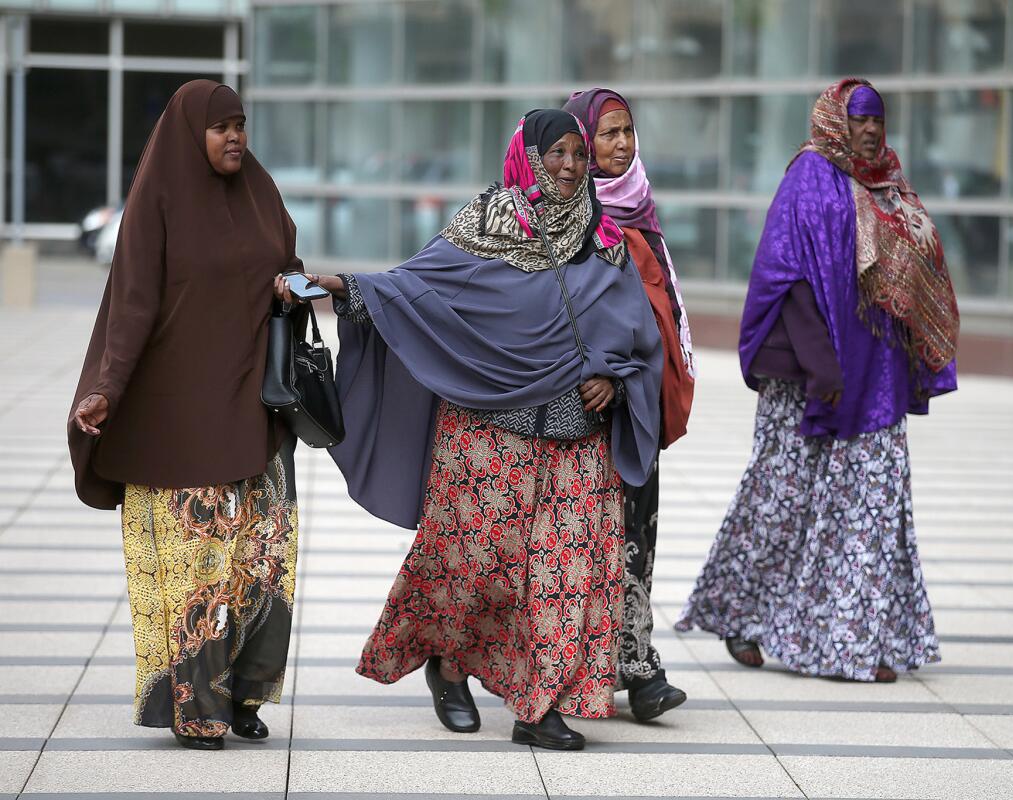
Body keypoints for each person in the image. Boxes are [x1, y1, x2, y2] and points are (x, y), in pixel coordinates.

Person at [283, 110, 662, 751]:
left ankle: (537, 709)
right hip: (490, 429)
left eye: (578, 153)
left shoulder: (606, 240)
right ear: (529, 156)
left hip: (577, 437)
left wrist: (618, 380)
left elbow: (636, 335)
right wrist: (340, 286)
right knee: (471, 566)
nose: (570, 166)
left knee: (563, 577)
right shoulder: (485, 225)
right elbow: (414, 289)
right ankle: (448, 664)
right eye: (556, 153)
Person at [675, 79, 959, 683]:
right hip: (811, 373)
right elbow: (787, 277)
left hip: (875, 374)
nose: (871, 129)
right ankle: (741, 614)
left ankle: (855, 640)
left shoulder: (887, 184)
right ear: (836, 120)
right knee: (782, 499)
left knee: (870, 505)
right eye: (860, 119)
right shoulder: (811, 176)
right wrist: (821, 365)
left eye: (878, 119)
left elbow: (914, 271)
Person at [68, 80, 304, 749]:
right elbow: (132, 304)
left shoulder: (260, 191)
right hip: (184, 411)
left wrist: (303, 287)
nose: (235, 137)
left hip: (257, 408)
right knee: (200, 563)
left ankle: (246, 692)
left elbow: (288, 265)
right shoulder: (158, 199)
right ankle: (198, 706)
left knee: (262, 558)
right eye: (220, 126)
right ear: (188, 132)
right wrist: (106, 387)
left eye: (242, 124)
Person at [562, 88, 693, 721]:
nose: (621, 144)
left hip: (638, 400)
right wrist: (608, 373)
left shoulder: (638, 207)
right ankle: (631, 673)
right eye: (608, 133)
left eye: (628, 131)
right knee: (600, 539)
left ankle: (634, 665)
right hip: (592, 406)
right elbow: (579, 310)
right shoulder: (573, 212)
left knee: (637, 534)